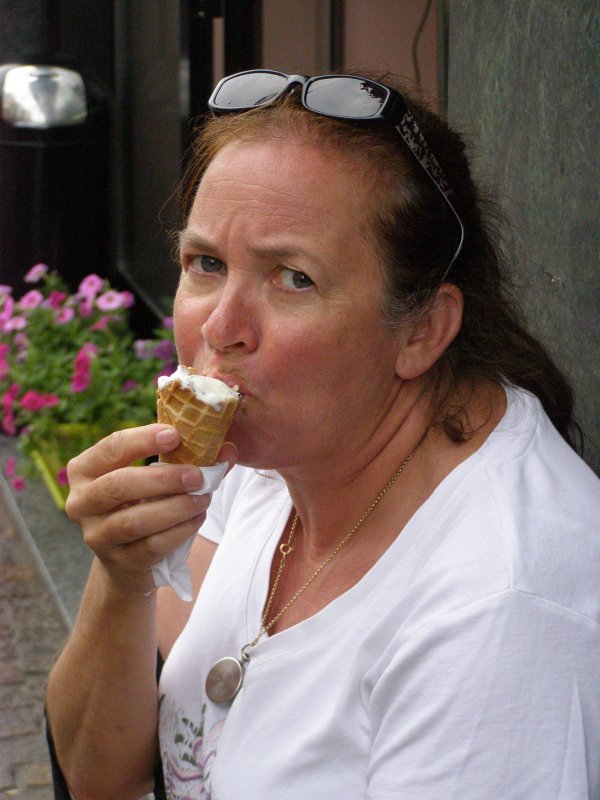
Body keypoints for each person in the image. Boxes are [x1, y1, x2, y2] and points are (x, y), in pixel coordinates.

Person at [45, 70, 600, 799]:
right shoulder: (269, 452)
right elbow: (99, 777)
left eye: (293, 278)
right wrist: (123, 577)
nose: (220, 328)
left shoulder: (499, 610)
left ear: (423, 330)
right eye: (206, 263)